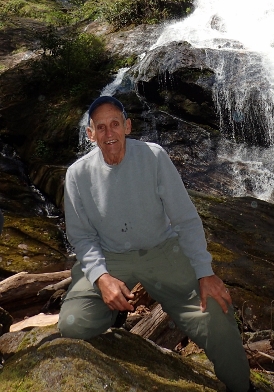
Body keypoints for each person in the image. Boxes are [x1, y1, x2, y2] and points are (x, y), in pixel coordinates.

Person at [58, 95, 255, 392]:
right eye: (101, 127)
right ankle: (112, 311)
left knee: (217, 313)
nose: (109, 133)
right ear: (90, 134)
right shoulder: (77, 175)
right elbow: (82, 237)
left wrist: (205, 272)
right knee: (72, 324)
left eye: (115, 124)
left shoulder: (153, 157)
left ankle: (242, 387)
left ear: (127, 126)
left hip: (164, 251)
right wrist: (100, 277)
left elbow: (185, 219)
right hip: (111, 257)